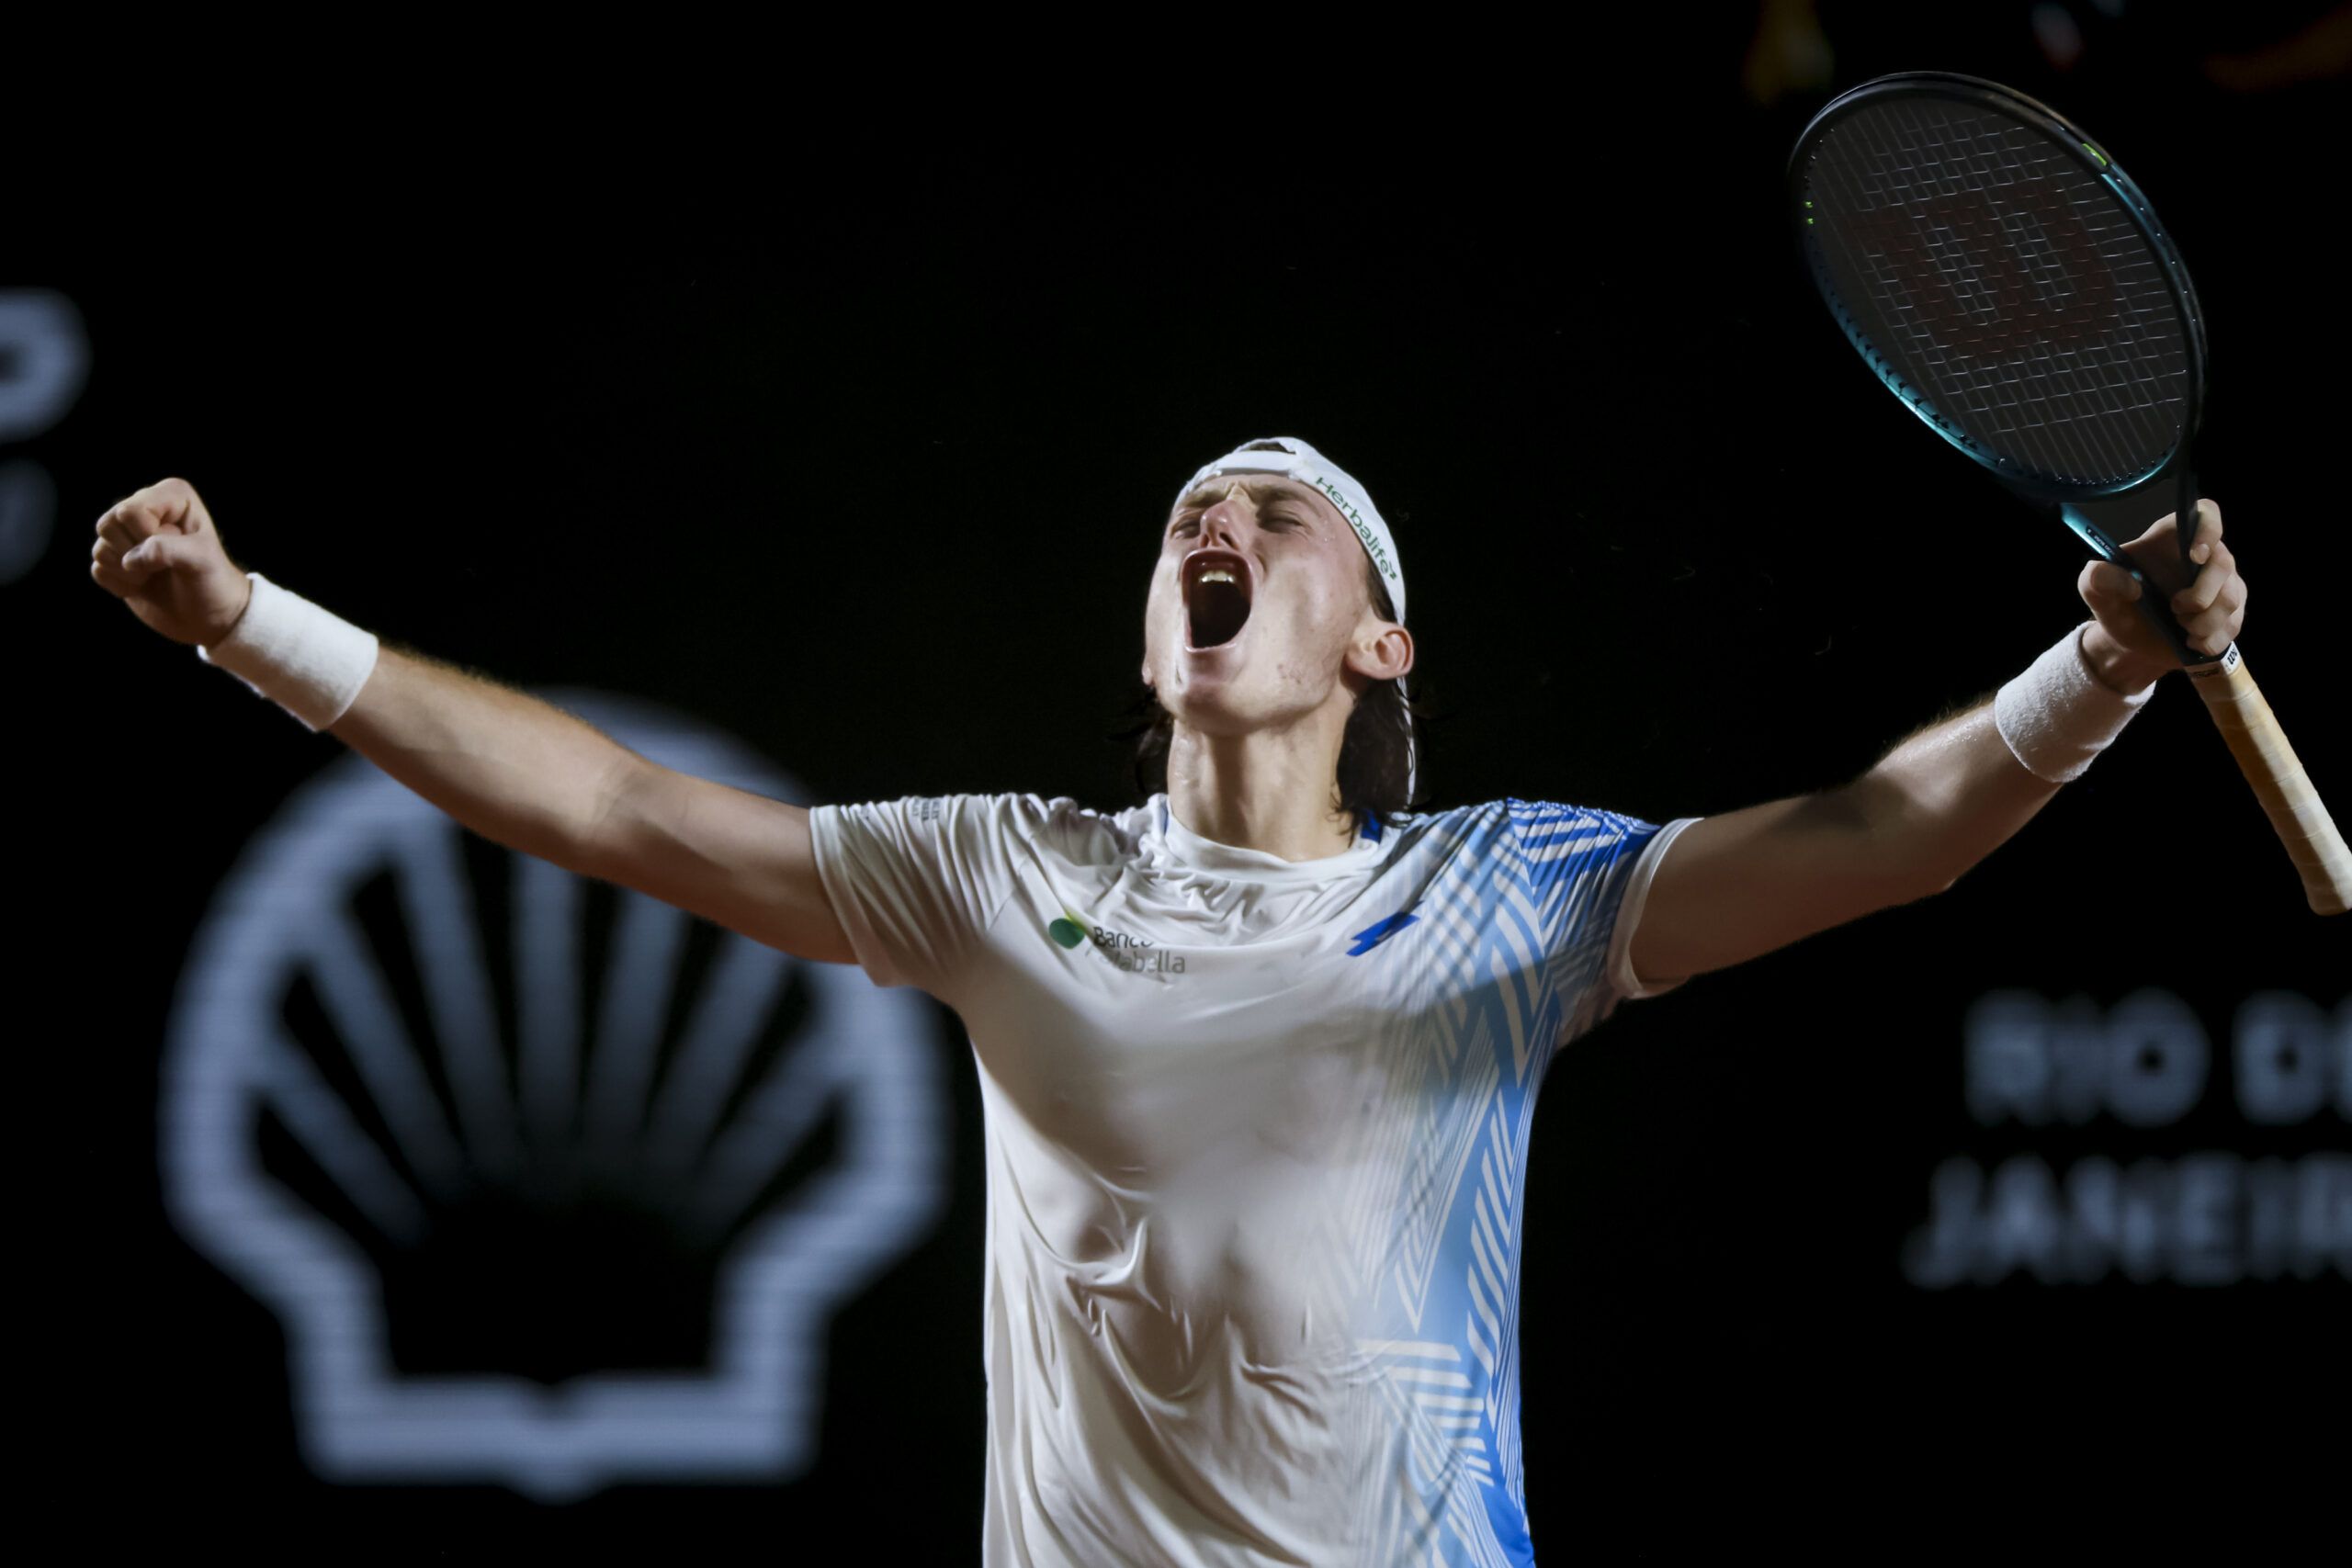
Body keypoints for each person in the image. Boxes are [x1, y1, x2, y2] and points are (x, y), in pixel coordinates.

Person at [91, 437, 2247, 1566]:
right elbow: (618, 808)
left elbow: (1882, 833)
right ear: (1153, 644)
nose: (1218, 517)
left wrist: (2104, 666)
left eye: (1279, 510)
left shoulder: (1501, 896)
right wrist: (247, 621)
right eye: (1190, 515)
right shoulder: (1002, 873)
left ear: (1381, 643)